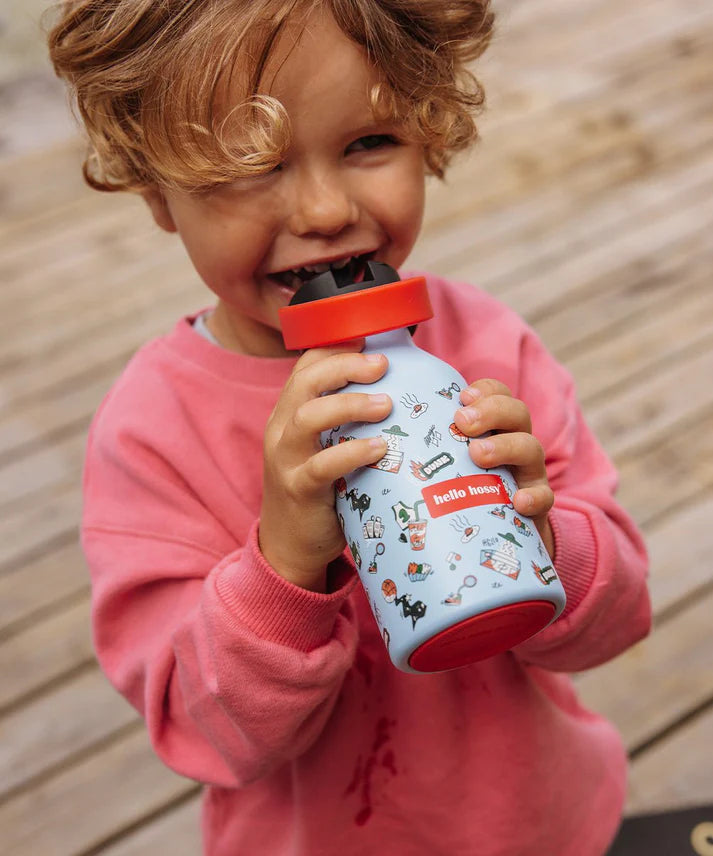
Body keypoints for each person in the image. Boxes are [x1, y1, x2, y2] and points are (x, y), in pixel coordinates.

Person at [47, 1, 651, 854]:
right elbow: (202, 727)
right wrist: (283, 565)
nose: (326, 210)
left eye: (369, 142)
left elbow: (619, 619)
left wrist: (543, 538)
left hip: (545, 826)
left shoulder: (481, 345)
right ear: (156, 193)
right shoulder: (154, 430)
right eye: (247, 164)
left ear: (428, 130)